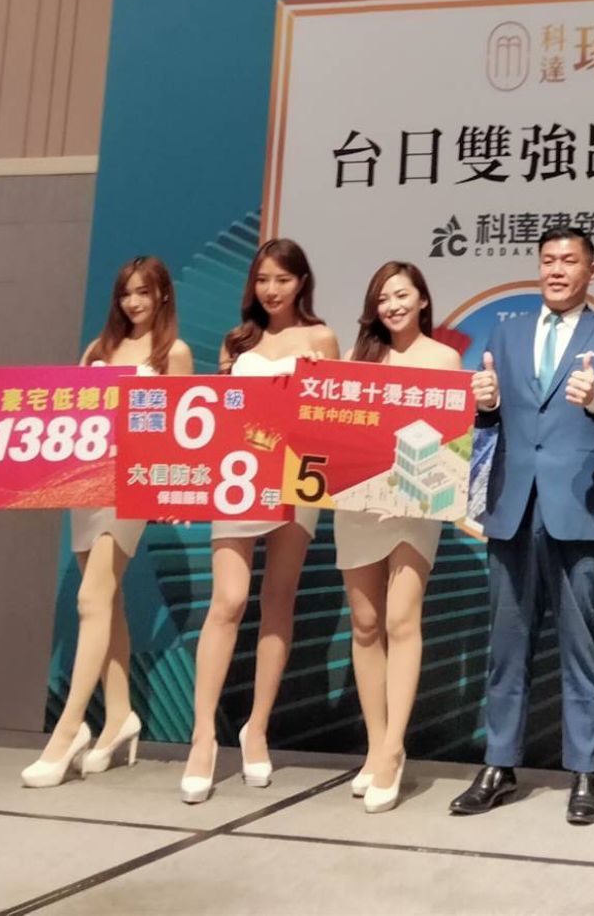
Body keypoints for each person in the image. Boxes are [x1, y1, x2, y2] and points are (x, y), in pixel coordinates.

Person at [449, 226, 594, 826]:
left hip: (579, 507)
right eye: (548, 260)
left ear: (591, 271)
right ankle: (498, 765)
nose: (557, 270)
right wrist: (483, 402)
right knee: (507, 645)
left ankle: (585, 772)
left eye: (569, 261)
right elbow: (491, 420)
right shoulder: (505, 333)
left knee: (582, 647)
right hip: (512, 505)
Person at [20, 257, 193, 787]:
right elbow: (70, 417)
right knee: (107, 602)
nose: (134, 302)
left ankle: (69, 728)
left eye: (144, 292)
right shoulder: (97, 350)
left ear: (163, 295)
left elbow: (179, 429)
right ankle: (120, 717)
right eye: (126, 293)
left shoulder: (174, 353)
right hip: (86, 485)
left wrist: (168, 488)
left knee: (90, 599)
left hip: (131, 486)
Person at [181, 238, 338, 803]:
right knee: (228, 600)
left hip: (296, 477)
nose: (272, 290)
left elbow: (332, 414)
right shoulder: (237, 340)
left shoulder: (321, 338)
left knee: (279, 598)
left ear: (302, 283)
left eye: (283, 280)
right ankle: (203, 736)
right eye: (263, 279)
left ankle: (257, 728)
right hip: (238, 477)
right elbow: (219, 414)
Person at [336, 262, 460, 814]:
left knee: (401, 619)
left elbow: (451, 441)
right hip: (358, 504)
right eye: (383, 297)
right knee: (365, 625)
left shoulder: (443, 359)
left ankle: (393, 750)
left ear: (422, 301)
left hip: (416, 502)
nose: (393, 305)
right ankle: (374, 744)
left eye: (402, 295)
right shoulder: (355, 362)